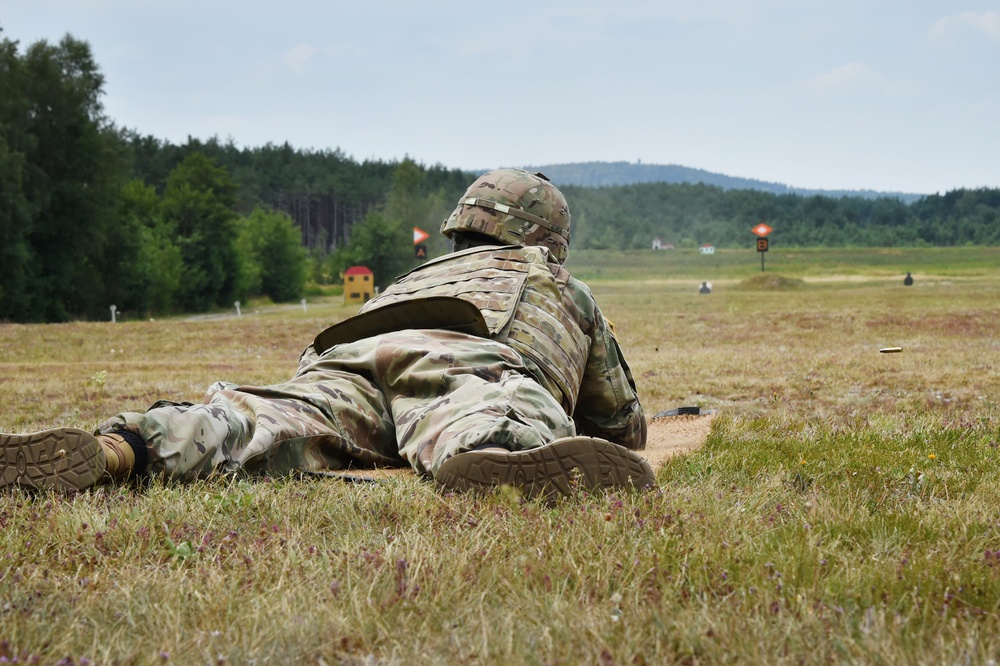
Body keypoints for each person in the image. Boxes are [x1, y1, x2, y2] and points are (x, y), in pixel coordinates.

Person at [1, 169, 652, 500]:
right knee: (483, 413)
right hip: (464, 360)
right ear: (548, 241)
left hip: (346, 360)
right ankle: (498, 456)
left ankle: (120, 447)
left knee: (254, 420)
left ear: (462, 228)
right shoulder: (557, 283)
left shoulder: (417, 275)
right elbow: (619, 425)